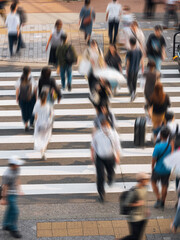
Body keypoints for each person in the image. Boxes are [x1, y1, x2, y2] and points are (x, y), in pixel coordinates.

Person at [91, 114, 122, 202]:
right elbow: (93, 145)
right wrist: (92, 155)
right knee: (100, 176)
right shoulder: (97, 134)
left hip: (110, 157)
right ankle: (101, 193)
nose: (105, 128)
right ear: (101, 126)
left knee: (110, 171)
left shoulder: (114, 134)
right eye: (103, 126)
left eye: (106, 126)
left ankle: (110, 177)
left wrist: (118, 157)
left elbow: (117, 146)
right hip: (100, 157)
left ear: (109, 125)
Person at [116, 173, 150, 240]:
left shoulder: (145, 188)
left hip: (143, 217)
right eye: (146, 180)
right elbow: (126, 204)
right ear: (141, 180)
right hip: (134, 218)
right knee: (134, 236)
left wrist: (146, 209)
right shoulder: (134, 191)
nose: (148, 181)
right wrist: (138, 204)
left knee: (138, 237)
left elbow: (144, 200)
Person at [0, 156, 24, 239]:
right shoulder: (7, 174)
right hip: (9, 194)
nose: (19, 166)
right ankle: (13, 229)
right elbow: (4, 187)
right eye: (17, 164)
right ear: (12, 165)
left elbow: (17, 178)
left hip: (14, 193)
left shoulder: (17, 169)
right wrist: (3, 198)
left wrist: (20, 189)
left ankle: (6, 225)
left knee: (10, 210)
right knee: (15, 211)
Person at [151, 126, 172, 209]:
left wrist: (152, 168)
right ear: (168, 136)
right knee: (164, 185)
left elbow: (154, 159)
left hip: (158, 169)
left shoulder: (158, 146)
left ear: (160, 136)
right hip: (167, 170)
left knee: (153, 182)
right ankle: (163, 202)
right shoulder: (171, 146)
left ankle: (158, 199)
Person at [33, 91, 53, 160]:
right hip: (46, 123)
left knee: (40, 137)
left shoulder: (37, 105)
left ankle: (42, 151)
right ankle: (43, 151)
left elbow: (35, 116)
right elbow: (50, 115)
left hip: (39, 123)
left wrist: (36, 122)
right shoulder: (48, 105)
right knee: (46, 138)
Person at [15, 66, 37, 131]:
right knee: (32, 110)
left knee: (24, 111)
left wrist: (17, 98)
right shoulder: (32, 79)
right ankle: (31, 124)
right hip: (31, 97)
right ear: (29, 72)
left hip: (22, 97)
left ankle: (26, 125)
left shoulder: (20, 79)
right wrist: (36, 97)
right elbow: (35, 89)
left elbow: (17, 89)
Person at [126, 37, 144, 101]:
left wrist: (127, 70)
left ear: (130, 43)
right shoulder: (139, 51)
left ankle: (132, 93)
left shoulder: (129, 52)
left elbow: (128, 62)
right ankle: (134, 91)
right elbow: (142, 60)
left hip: (131, 69)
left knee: (129, 82)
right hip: (137, 69)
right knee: (134, 81)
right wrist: (142, 68)